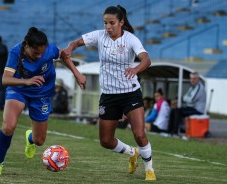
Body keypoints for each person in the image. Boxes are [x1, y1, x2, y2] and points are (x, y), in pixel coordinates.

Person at [62, 5, 156, 181]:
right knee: (105, 141)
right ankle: (131, 153)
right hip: (109, 95)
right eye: (105, 23)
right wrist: (70, 48)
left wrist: (136, 69)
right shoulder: (99, 36)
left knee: (139, 134)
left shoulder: (130, 39)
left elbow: (146, 59)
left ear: (121, 22)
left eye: (112, 23)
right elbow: (76, 42)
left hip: (130, 93)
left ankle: (149, 169)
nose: (108, 27)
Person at [0, 27, 86, 176]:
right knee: (8, 127)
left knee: (39, 140)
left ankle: (30, 137)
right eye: (36, 53)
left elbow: (64, 56)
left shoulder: (50, 50)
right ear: (27, 45)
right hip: (19, 89)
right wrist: (27, 81)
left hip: (42, 92)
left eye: (42, 52)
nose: (40, 56)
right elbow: (5, 79)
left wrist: (77, 74)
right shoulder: (16, 52)